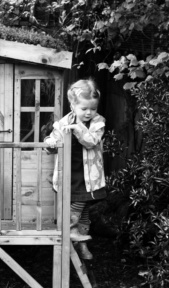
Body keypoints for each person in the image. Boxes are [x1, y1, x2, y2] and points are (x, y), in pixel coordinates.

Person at [44, 78, 107, 260]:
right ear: (73, 105)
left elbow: (91, 141)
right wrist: (50, 143)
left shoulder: (98, 122)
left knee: (84, 202)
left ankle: (77, 237)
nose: (89, 113)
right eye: (84, 109)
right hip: (69, 171)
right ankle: (78, 239)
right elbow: (53, 141)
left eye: (93, 108)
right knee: (83, 206)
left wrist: (79, 130)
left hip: (88, 174)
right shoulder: (63, 122)